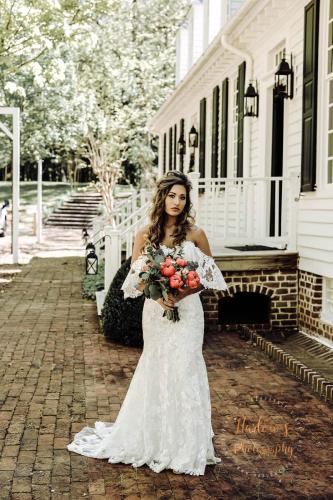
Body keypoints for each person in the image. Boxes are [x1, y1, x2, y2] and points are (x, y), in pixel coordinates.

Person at [67, 170, 228, 476]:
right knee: (157, 365)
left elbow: (208, 277)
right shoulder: (145, 234)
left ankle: (186, 445)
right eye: (172, 196)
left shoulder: (196, 234)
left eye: (182, 197)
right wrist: (159, 297)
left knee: (186, 365)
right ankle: (154, 440)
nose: (177, 202)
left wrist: (181, 294)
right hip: (156, 311)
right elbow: (138, 279)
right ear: (162, 197)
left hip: (189, 312)